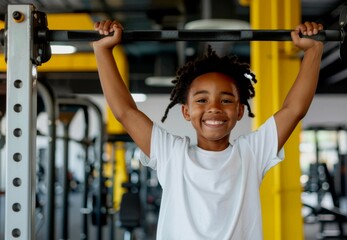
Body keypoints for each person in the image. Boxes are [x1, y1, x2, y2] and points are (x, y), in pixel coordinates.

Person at [93, 20, 324, 239]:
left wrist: (313, 51)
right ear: (186, 112)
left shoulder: (251, 153)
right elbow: (125, 112)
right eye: (202, 100)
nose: (214, 108)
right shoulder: (171, 153)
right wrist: (103, 51)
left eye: (225, 100)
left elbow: (294, 109)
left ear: (240, 111)